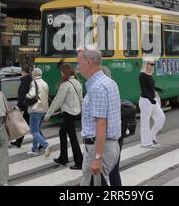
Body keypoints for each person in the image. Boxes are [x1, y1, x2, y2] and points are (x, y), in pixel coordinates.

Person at [77, 45, 121, 186]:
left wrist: (97, 158)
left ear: (88, 62)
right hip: (110, 146)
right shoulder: (110, 83)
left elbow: (101, 124)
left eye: (78, 63)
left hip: (99, 148)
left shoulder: (97, 88)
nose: (77, 67)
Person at [43, 63, 83, 170]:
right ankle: (63, 158)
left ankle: (79, 162)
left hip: (68, 114)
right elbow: (81, 99)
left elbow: (57, 102)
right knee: (63, 133)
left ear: (64, 72)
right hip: (75, 113)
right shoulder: (77, 83)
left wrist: (48, 115)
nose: (60, 73)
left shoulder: (65, 85)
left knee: (72, 137)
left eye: (61, 71)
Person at [102, 65, 123, 187]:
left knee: (101, 174)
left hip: (107, 139)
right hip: (117, 136)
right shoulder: (114, 86)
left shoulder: (102, 88)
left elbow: (101, 121)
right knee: (114, 171)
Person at [138, 58, 165, 148]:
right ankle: (146, 143)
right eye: (151, 64)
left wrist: (157, 89)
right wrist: (151, 99)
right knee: (145, 123)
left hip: (152, 100)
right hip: (145, 101)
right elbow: (144, 90)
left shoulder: (149, 74)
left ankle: (152, 137)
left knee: (161, 118)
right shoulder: (142, 75)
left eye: (154, 64)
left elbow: (150, 86)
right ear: (146, 64)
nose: (153, 66)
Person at [27, 68, 52, 157]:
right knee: (36, 130)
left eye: (32, 73)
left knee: (33, 131)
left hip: (35, 109)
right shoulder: (45, 83)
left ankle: (46, 145)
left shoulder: (34, 82)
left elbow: (31, 94)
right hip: (44, 110)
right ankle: (34, 149)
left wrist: (26, 96)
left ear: (34, 74)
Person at [10, 65, 32, 148]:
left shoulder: (25, 80)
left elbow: (22, 94)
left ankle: (42, 142)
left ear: (23, 71)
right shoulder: (29, 79)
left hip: (26, 105)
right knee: (24, 124)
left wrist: (19, 106)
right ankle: (18, 142)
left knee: (32, 127)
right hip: (28, 105)